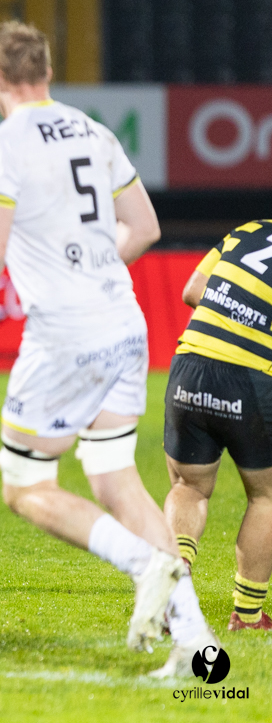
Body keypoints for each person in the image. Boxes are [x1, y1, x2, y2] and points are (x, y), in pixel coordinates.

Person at [0, 21, 216, 676]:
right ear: (45, 72)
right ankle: (199, 646)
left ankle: (146, 564)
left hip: (67, 333)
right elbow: (146, 226)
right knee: (113, 476)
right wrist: (93, 267)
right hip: (124, 322)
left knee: (24, 484)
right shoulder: (93, 130)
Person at [163, 219, 272, 632]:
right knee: (266, 497)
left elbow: (192, 290)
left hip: (189, 366)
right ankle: (246, 616)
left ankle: (174, 592)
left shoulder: (249, 230)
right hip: (251, 378)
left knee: (188, 488)